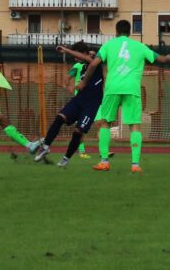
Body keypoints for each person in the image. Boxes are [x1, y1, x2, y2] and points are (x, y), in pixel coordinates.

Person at [79, 20, 170, 173]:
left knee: (105, 122)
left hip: (112, 88)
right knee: (135, 126)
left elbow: (94, 64)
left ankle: (104, 162)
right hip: (132, 89)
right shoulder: (140, 46)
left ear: (116, 31)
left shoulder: (108, 45)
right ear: (129, 32)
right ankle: (135, 165)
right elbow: (164, 60)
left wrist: (84, 82)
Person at [34, 42, 103, 167]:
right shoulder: (82, 67)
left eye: (77, 55)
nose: (76, 59)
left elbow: (88, 57)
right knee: (59, 118)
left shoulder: (95, 61)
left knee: (78, 131)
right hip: (79, 100)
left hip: (91, 105)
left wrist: (66, 50)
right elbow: (79, 64)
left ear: (83, 53)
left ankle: (65, 159)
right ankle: (46, 147)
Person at [66, 54, 91, 159]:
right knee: (80, 127)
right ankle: (81, 151)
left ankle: (104, 152)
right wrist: (69, 86)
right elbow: (68, 77)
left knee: (101, 123)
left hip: (93, 100)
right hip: (80, 101)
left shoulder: (94, 66)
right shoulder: (78, 66)